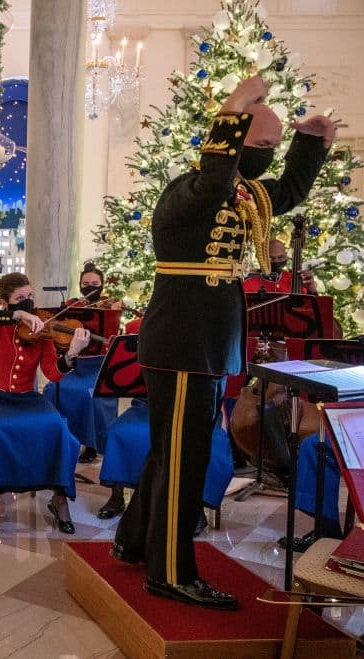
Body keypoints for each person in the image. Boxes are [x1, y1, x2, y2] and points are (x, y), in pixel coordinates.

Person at [111, 75, 335, 611]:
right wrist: (233, 108)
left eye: (273, 148)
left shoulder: (243, 193)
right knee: (184, 459)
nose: (266, 157)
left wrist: (311, 143)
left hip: (207, 344)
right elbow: (215, 173)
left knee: (172, 451)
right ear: (229, 138)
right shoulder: (193, 189)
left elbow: (286, 191)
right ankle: (170, 572)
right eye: (260, 145)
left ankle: (134, 540)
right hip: (186, 342)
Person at [0, 272, 90, 537]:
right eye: (21, 298)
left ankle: (59, 499)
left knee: (57, 429)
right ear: (5, 303)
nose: (29, 302)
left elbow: (52, 373)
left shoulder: (41, 329)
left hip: (27, 398)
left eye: (30, 296)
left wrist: (73, 353)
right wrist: (18, 315)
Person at [44, 262, 120, 465]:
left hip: (99, 365)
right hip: (74, 364)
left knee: (90, 397)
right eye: (86, 283)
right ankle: (60, 438)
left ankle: (92, 444)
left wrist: (114, 312)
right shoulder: (71, 305)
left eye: (95, 283)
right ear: (80, 285)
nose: (91, 287)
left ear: (102, 284)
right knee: (53, 389)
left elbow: (113, 338)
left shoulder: (110, 305)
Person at [242, 238, 318, 294]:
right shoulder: (247, 280)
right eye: (270, 258)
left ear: (286, 256)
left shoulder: (296, 280)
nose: (276, 261)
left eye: (281, 257)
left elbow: (314, 311)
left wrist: (312, 290)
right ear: (260, 257)